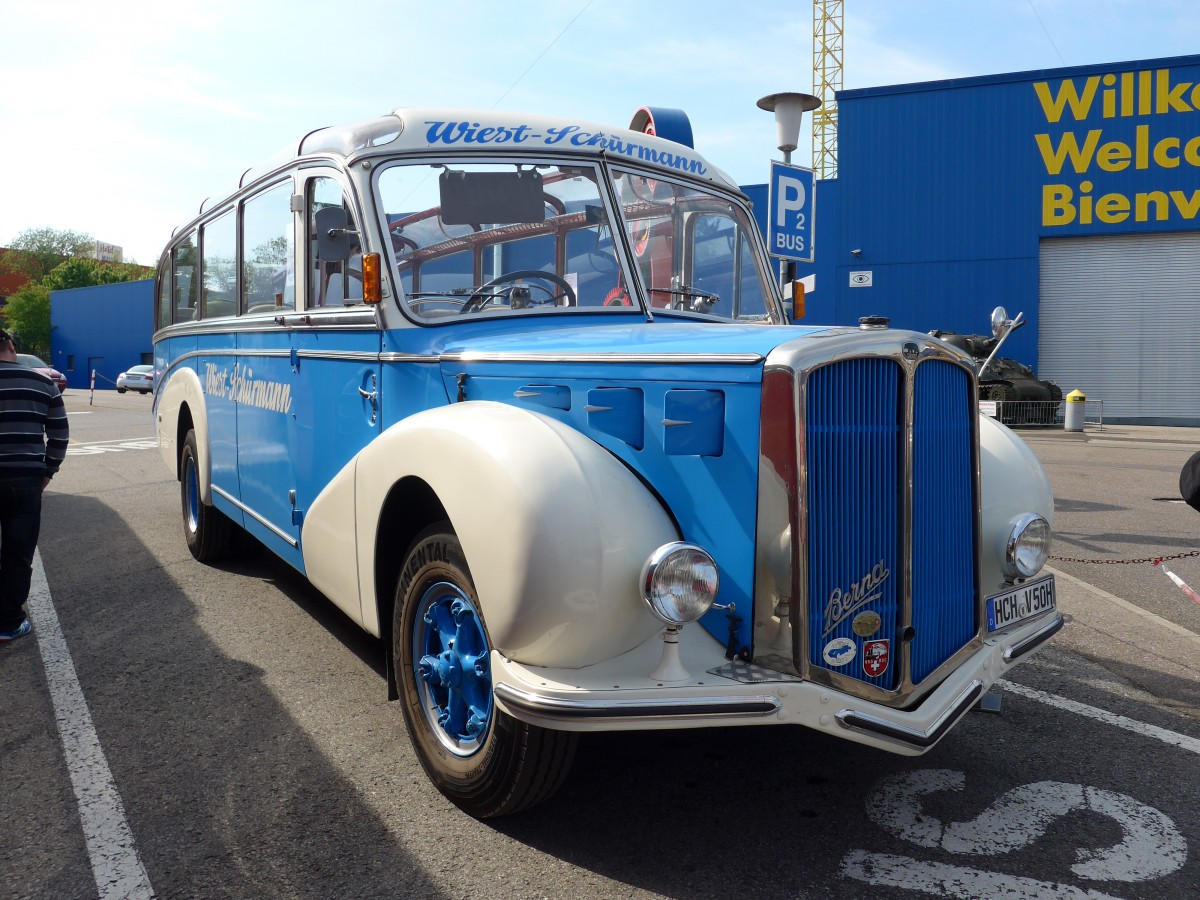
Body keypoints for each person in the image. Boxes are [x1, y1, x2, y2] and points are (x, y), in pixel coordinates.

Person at [0, 328, 69, 643]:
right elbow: (59, 435)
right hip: (25, 481)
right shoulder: (43, 383)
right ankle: (9, 623)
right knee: (18, 553)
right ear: (11, 347)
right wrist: (47, 472)